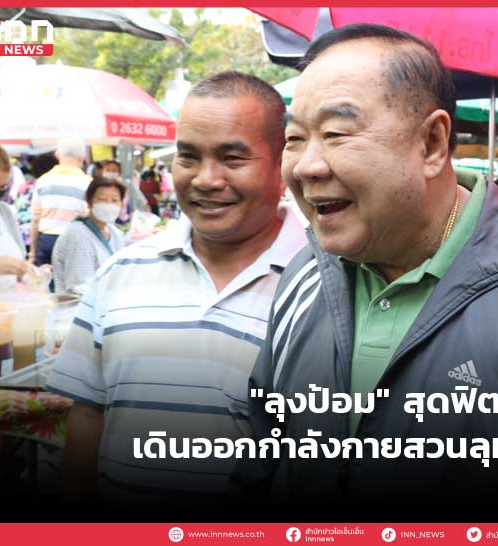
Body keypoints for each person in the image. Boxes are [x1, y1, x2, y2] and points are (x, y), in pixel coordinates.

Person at [243, 24, 498, 510]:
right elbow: (262, 457)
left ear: (432, 144)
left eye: (336, 133)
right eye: (295, 137)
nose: (306, 166)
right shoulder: (305, 274)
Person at [45, 71, 306, 508]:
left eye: (232, 158)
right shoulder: (119, 272)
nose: (206, 179)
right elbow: (88, 415)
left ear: (283, 164)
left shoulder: (324, 285)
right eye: (188, 157)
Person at [50, 177, 126, 293]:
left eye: (114, 200)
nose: (109, 205)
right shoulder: (78, 234)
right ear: (89, 202)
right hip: (80, 303)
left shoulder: (115, 232)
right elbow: (80, 287)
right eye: (102, 199)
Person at [28, 138, 91, 268]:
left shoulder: (43, 181)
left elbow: (35, 219)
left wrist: (32, 252)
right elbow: (89, 218)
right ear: (83, 157)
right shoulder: (88, 183)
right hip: (75, 241)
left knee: (46, 279)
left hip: (46, 241)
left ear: (57, 154)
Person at [0, 143, 30, 290]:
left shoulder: (3, 212)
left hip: (4, 302)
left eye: (2, 187)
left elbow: (21, 261)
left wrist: (31, 273)